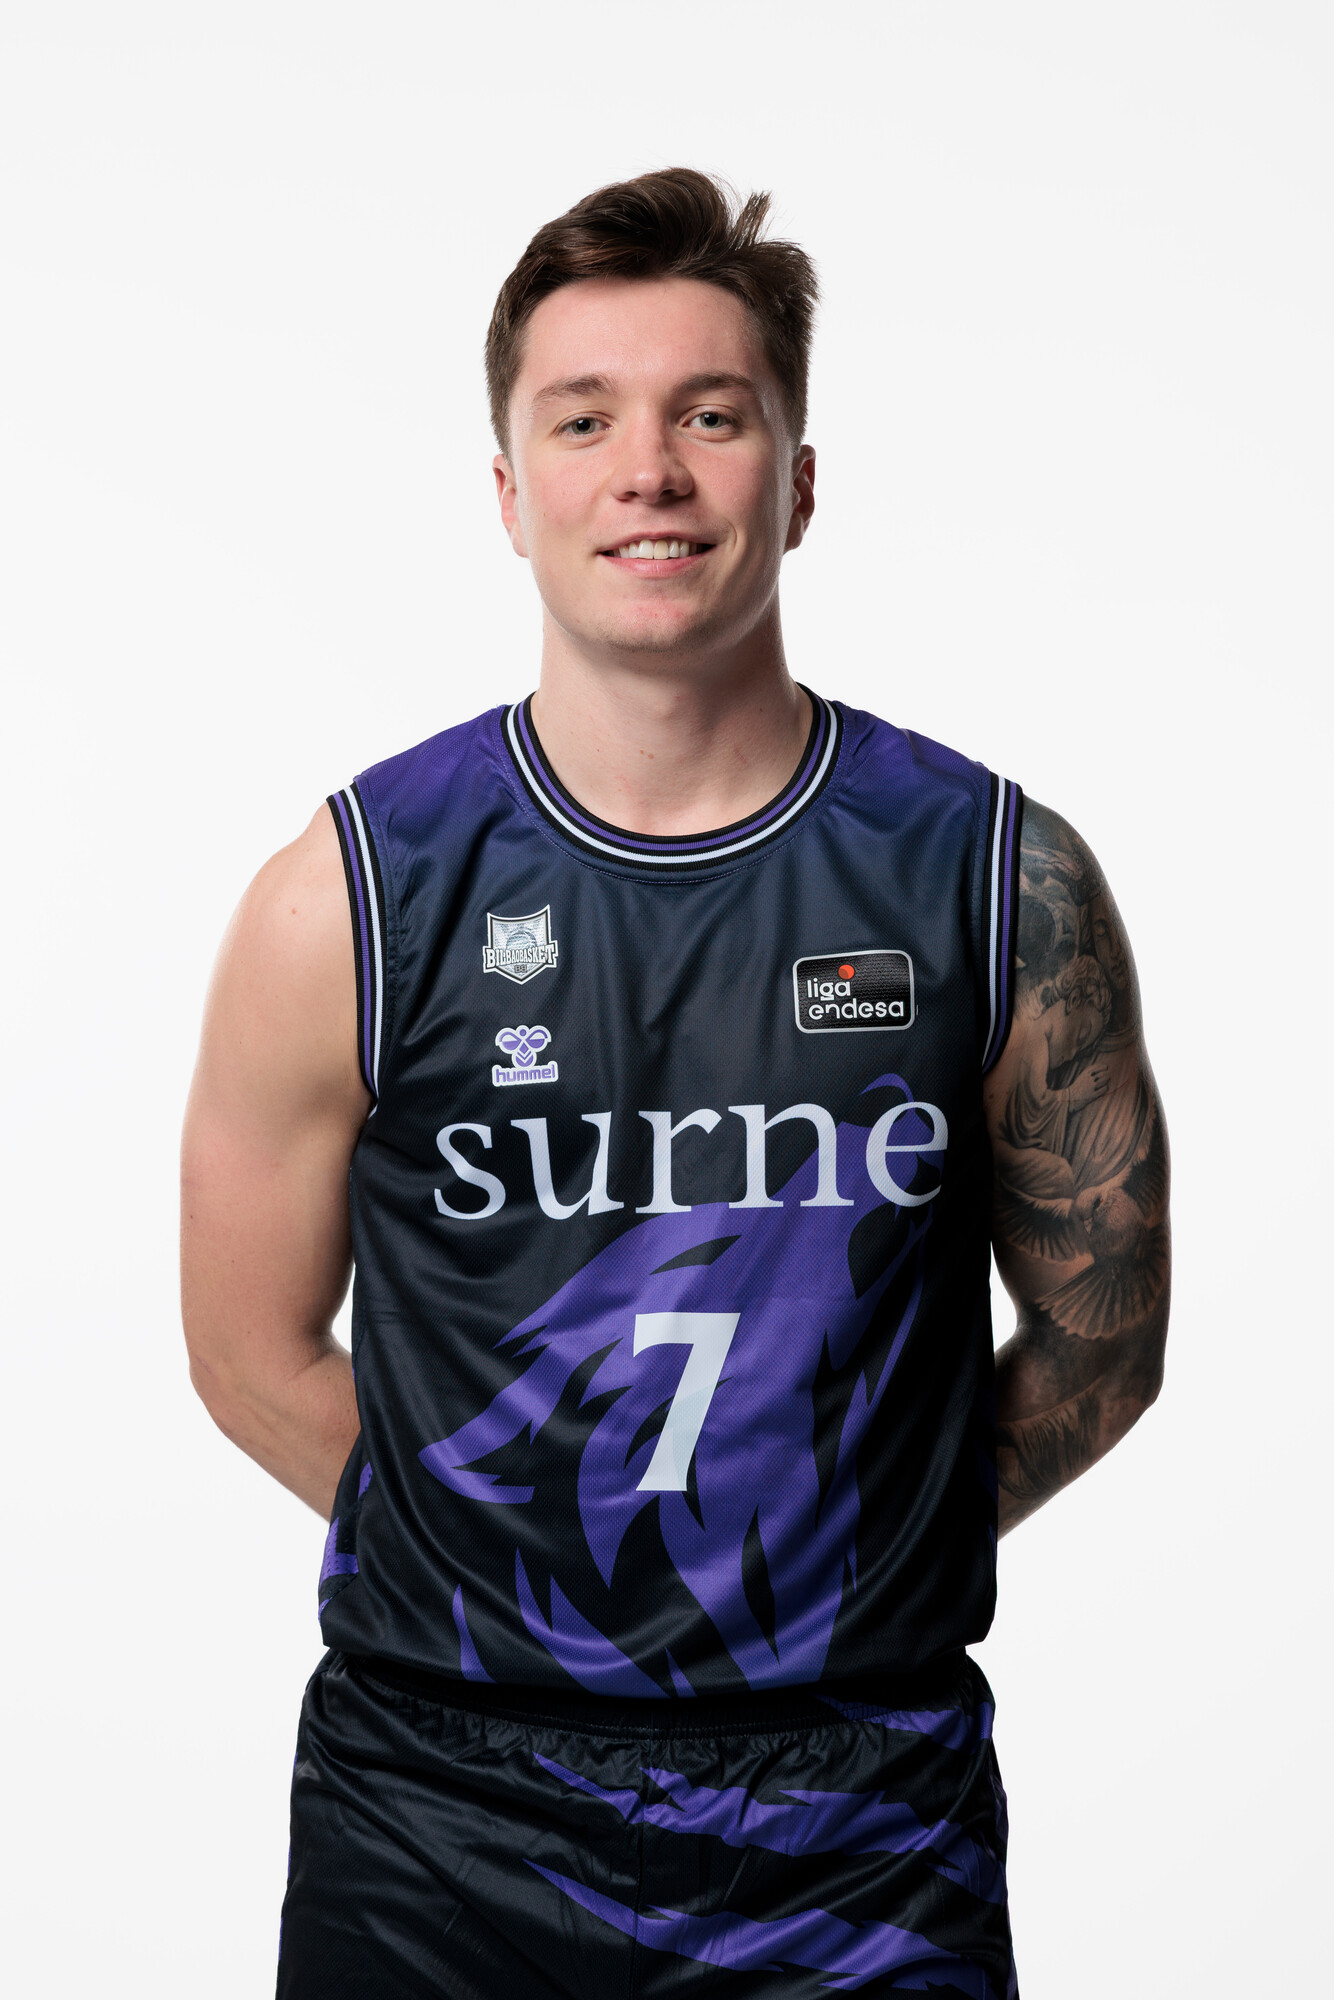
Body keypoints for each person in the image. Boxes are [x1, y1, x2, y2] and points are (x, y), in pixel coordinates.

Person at [181, 168, 1170, 1999]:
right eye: (584, 421)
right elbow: (247, 1351)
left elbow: (1101, 1333)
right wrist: (514, 1572)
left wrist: (856, 1556)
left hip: (859, 1808)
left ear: (797, 481)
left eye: (711, 416)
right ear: (509, 491)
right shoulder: (347, 896)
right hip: (437, 1810)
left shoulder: (990, 875)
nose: (648, 471)